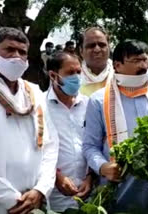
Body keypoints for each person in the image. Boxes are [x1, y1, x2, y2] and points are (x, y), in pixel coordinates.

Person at [82, 39, 148, 213]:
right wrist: (102, 167)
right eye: (136, 61)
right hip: (118, 188)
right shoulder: (99, 100)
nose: (144, 65)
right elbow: (89, 146)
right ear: (118, 65)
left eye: (145, 60)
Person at [0, 27, 58, 214]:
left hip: (35, 201)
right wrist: (11, 199)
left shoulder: (34, 93)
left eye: (22, 52)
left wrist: (41, 190)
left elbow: (50, 145)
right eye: (9, 50)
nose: (16, 56)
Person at [45, 52, 93, 212]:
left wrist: (91, 176)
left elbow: (97, 143)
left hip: (90, 193)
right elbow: (36, 149)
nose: (77, 77)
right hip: (56, 195)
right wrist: (56, 177)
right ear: (53, 75)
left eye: (78, 72)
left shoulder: (90, 105)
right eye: (70, 73)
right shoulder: (40, 107)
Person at [79, 27, 114, 96]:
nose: (97, 50)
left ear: (109, 48)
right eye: (91, 46)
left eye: (102, 45)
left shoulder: (121, 75)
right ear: (81, 51)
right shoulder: (72, 79)